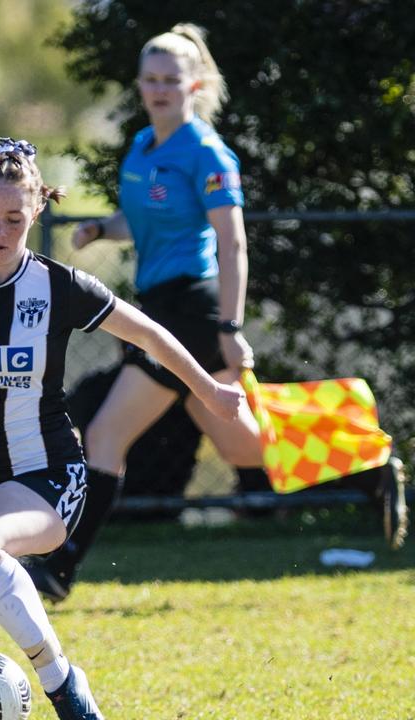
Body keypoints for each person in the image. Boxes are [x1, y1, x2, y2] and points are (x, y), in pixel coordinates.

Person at [0, 137, 244, 720]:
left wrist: (209, 390)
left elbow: (149, 334)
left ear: (36, 213)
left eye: (14, 218)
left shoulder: (57, 286)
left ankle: (64, 686)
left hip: (45, 474)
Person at [26, 23, 407, 603]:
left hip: (193, 310)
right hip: (158, 306)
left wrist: (229, 328)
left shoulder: (206, 151)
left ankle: (58, 569)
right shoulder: (141, 147)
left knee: (105, 433)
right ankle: (366, 458)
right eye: (150, 79)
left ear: (194, 84)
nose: (159, 90)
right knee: (241, 447)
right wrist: (105, 227)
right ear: (140, 84)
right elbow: (145, 221)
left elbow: (232, 244)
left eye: (170, 81)